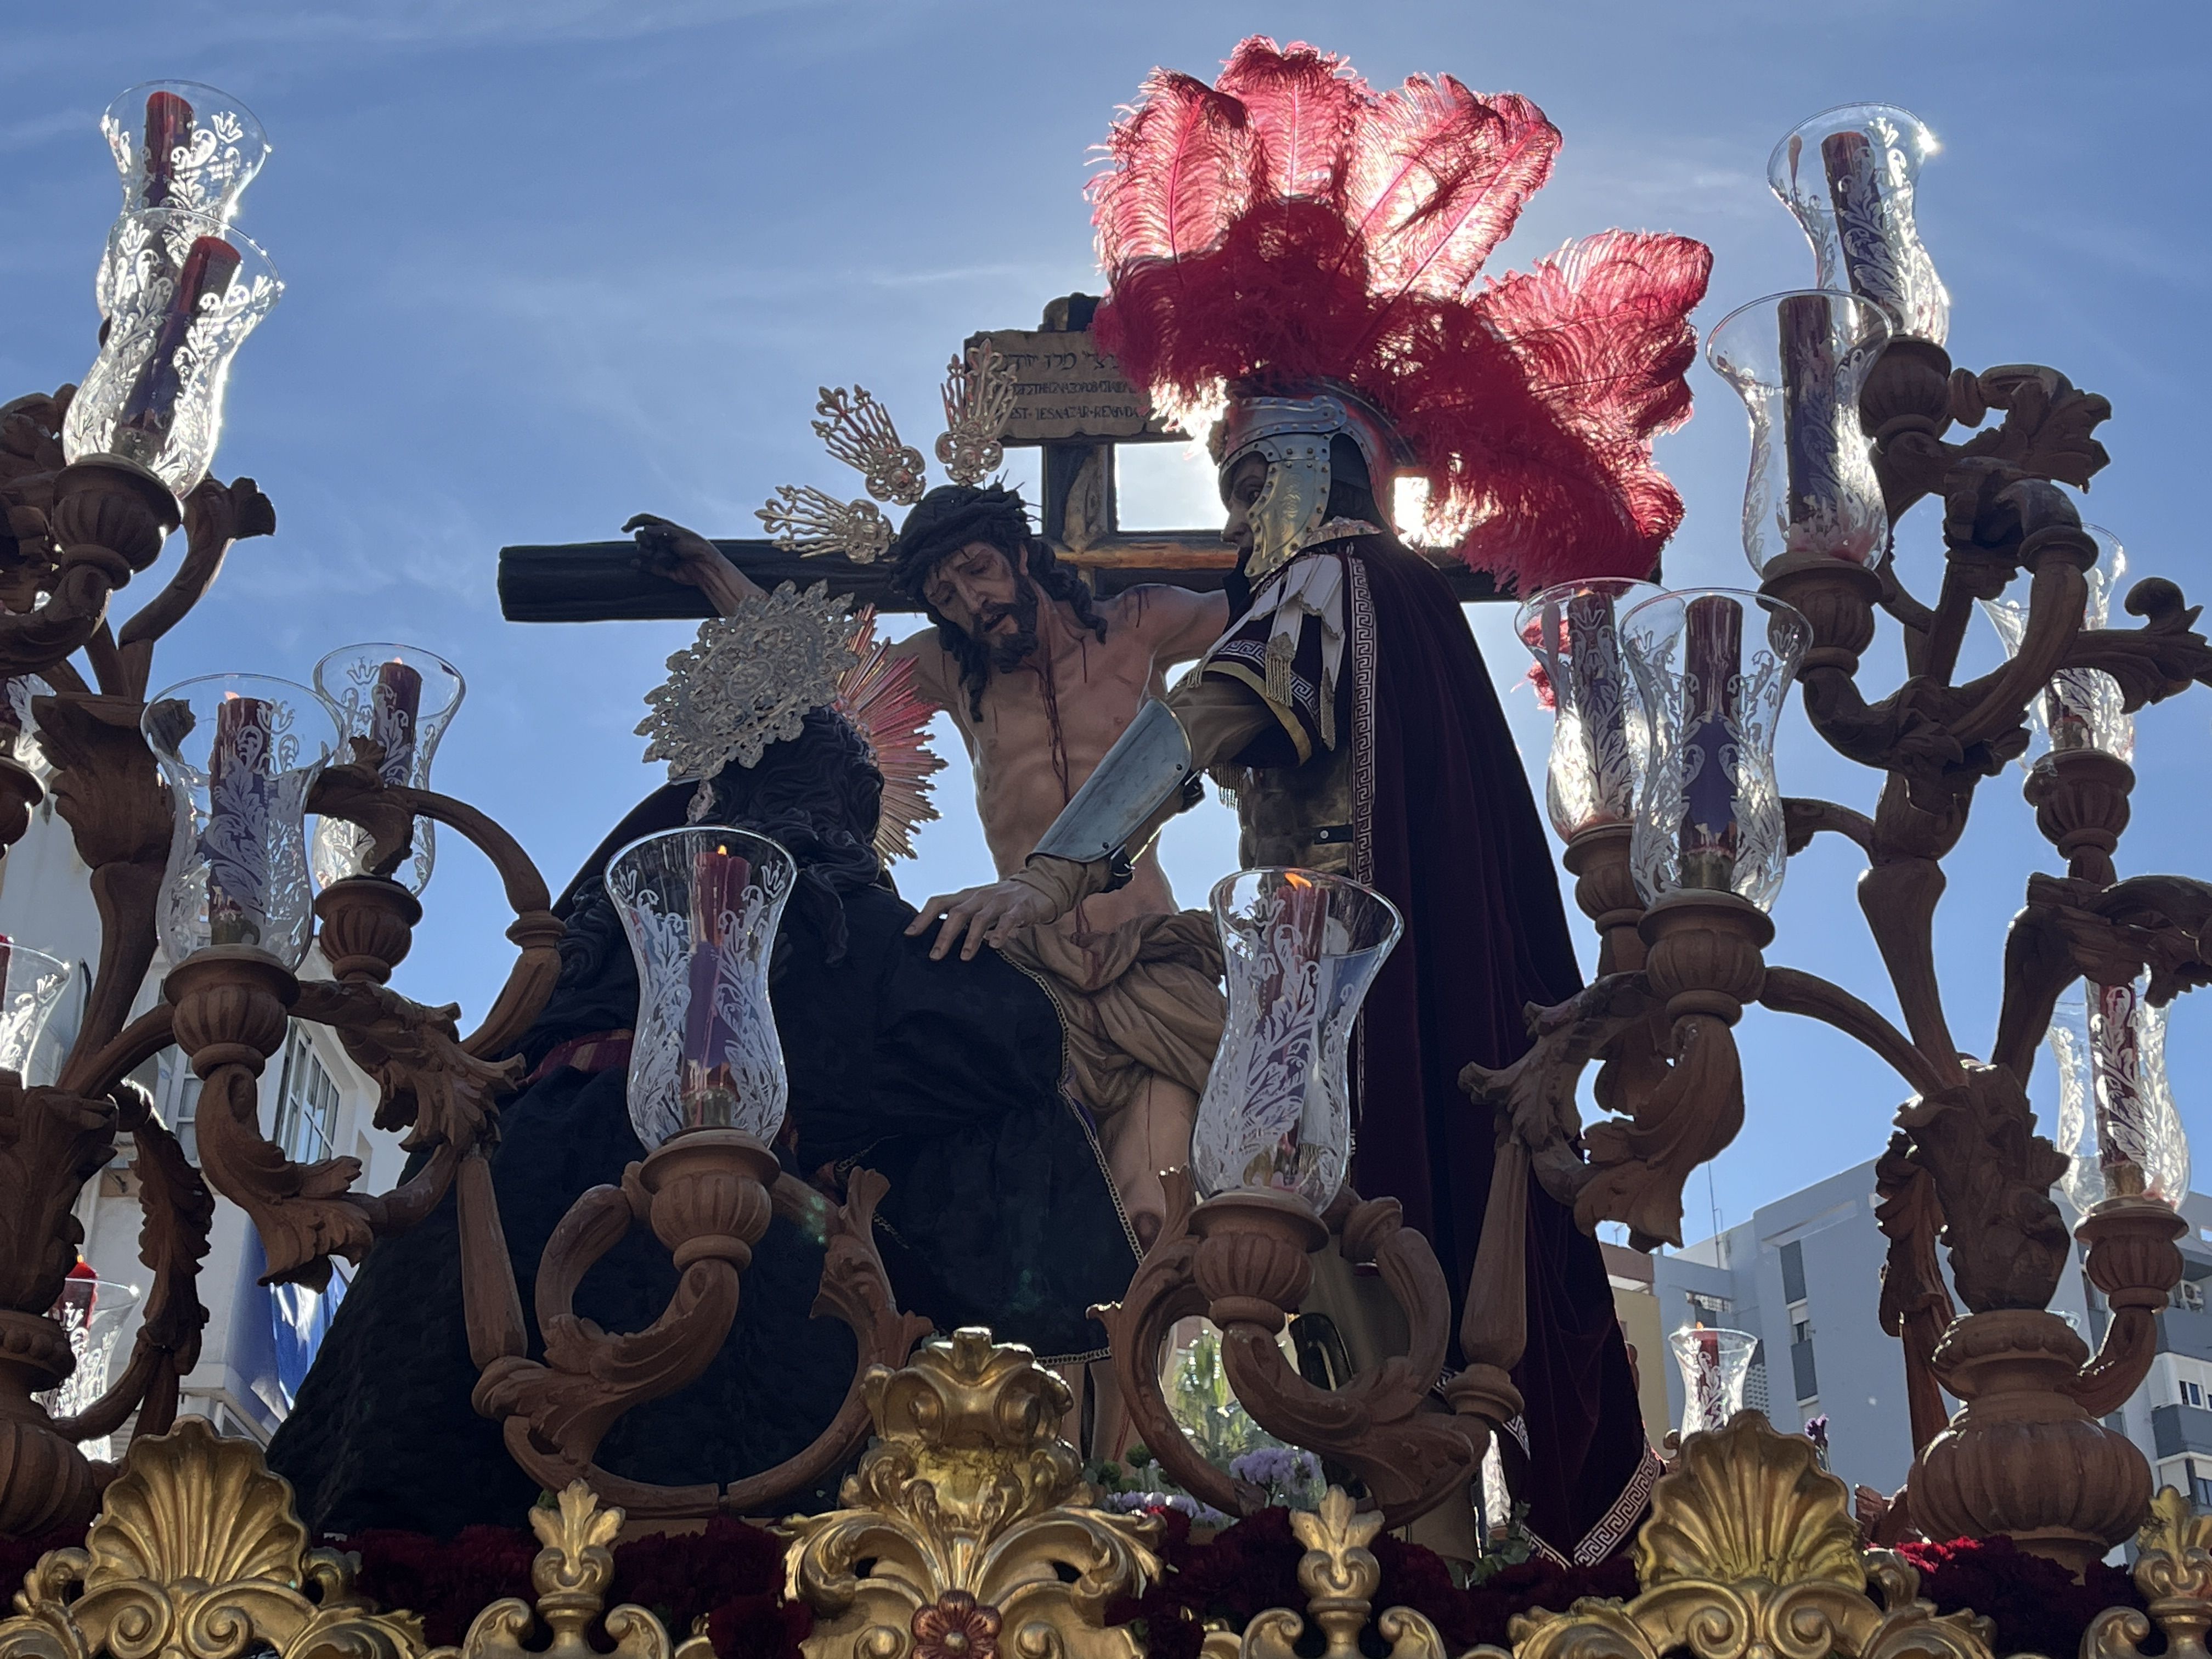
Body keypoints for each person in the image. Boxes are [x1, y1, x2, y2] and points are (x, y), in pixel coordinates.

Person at [908, 38, 1712, 1564]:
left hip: (1341, 981)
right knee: (1363, 1283)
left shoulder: (1334, 576)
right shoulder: (1387, 599)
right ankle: (1409, 1549)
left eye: (1240, 490)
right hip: (1360, 969)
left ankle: (1410, 1555)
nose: (1232, 523)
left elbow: (1218, 702)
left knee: (1354, 1265)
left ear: (1299, 475)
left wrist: (1050, 877)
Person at [266, 627, 1139, 1534]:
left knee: (403, 1523)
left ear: (711, 793)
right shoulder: (839, 911)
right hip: (710, 1227)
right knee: (705, 1549)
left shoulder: (604, 917)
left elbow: (503, 1037)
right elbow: (1016, 1040)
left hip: (495, 1195)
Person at [625, 491, 1227, 1249]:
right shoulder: (949, 670)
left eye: (979, 571)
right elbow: (820, 663)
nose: (973, 601)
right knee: (1056, 1226)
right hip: (1034, 979)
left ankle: (1160, 1370)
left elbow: (1274, 615)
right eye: (946, 595)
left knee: (1152, 1215)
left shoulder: (1142, 621)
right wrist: (713, 571)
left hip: (1148, 960)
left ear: (1019, 551)